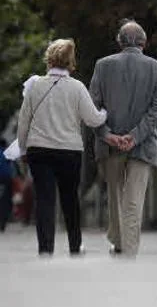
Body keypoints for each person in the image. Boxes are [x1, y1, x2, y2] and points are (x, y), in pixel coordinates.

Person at [17, 39, 107, 256]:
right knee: (70, 198)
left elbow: (24, 121)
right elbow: (93, 119)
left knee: (45, 200)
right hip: (69, 152)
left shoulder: (35, 86)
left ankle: (45, 248)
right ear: (70, 62)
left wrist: (22, 150)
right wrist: (105, 113)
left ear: (49, 59)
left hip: (39, 150)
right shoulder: (77, 87)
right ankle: (75, 246)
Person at [89, 20, 157, 257]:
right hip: (143, 146)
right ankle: (129, 250)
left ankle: (120, 243)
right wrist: (134, 137)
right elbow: (156, 110)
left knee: (115, 197)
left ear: (119, 42)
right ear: (144, 42)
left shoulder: (103, 66)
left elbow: (92, 106)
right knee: (134, 200)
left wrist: (108, 135)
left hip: (110, 146)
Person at [0, 139, 16, 232]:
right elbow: (12, 166)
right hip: (6, 179)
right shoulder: (7, 153)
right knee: (6, 200)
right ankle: (3, 222)